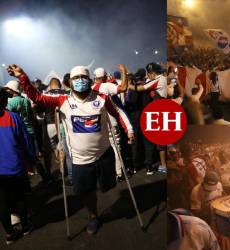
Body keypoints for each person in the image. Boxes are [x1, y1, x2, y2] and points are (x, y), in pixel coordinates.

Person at [7, 64, 134, 235]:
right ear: (70, 82)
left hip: (104, 154)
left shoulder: (102, 98)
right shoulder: (63, 100)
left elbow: (118, 112)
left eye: (83, 77)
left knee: (107, 186)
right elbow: (37, 97)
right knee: (87, 192)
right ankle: (93, 216)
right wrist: (22, 76)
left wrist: (129, 130)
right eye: (76, 78)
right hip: (80, 159)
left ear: (89, 80)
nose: (80, 80)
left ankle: (107, 191)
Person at [0, 87, 35, 245]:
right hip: (15, 166)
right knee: (19, 197)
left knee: (2, 202)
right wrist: (30, 160)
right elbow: (26, 141)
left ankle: (9, 234)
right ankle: (26, 226)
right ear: (4, 100)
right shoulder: (13, 117)